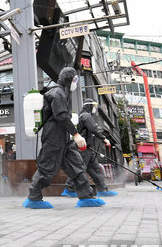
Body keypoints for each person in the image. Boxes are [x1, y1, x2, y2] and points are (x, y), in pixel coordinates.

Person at [23, 67, 105, 209]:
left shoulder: (63, 93)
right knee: (48, 166)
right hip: (53, 135)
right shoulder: (57, 93)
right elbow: (61, 116)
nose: (76, 82)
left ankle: (86, 196)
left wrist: (72, 134)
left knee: (76, 164)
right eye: (75, 79)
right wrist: (76, 134)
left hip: (63, 134)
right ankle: (33, 198)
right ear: (68, 79)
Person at [62, 98, 118, 197]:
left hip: (88, 149)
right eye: (94, 106)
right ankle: (69, 189)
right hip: (83, 149)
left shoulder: (82, 116)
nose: (95, 108)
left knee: (96, 169)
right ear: (89, 106)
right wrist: (104, 139)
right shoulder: (86, 116)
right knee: (79, 168)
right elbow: (94, 129)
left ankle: (102, 189)